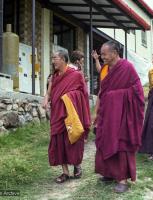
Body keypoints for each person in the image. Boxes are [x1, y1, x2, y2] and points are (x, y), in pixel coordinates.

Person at [95, 41, 145, 193]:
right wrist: (96, 112)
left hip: (123, 113)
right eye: (101, 54)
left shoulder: (127, 67)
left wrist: (115, 97)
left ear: (115, 53)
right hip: (108, 112)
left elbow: (137, 91)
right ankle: (109, 173)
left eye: (104, 54)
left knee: (121, 143)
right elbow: (102, 91)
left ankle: (122, 179)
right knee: (105, 139)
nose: (102, 57)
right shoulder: (104, 69)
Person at [43, 50, 91, 183]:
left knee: (73, 139)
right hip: (57, 113)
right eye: (52, 58)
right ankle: (65, 172)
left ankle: (77, 165)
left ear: (63, 59)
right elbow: (49, 93)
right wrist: (46, 99)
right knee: (58, 141)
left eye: (55, 58)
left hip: (71, 113)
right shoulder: (54, 77)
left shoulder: (76, 75)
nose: (53, 61)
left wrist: (69, 97)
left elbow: (83, 94)